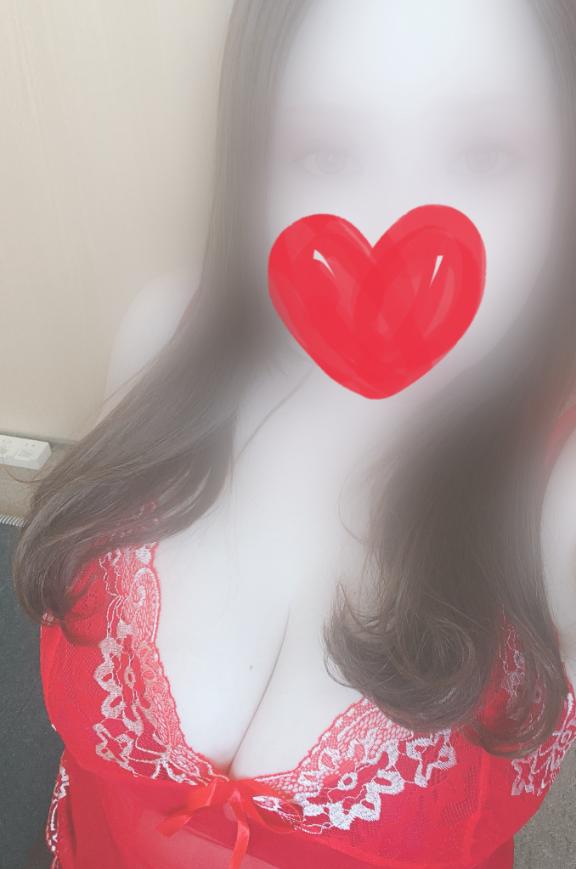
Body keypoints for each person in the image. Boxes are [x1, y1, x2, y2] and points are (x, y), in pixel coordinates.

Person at [14, 1, 576, 866]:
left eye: (485, 152)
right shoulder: (163, 333)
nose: (393, 225)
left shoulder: (558, 497)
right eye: (326, 150)